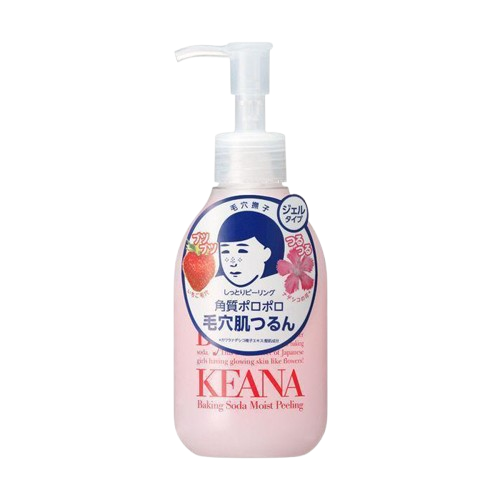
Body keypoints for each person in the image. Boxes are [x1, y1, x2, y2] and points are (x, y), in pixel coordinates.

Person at [217, 211, 284, 287]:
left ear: (266, 254)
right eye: (225, 251)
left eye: (242, 251)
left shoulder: (279, 284)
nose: (233, 263)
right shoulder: (214, 285)